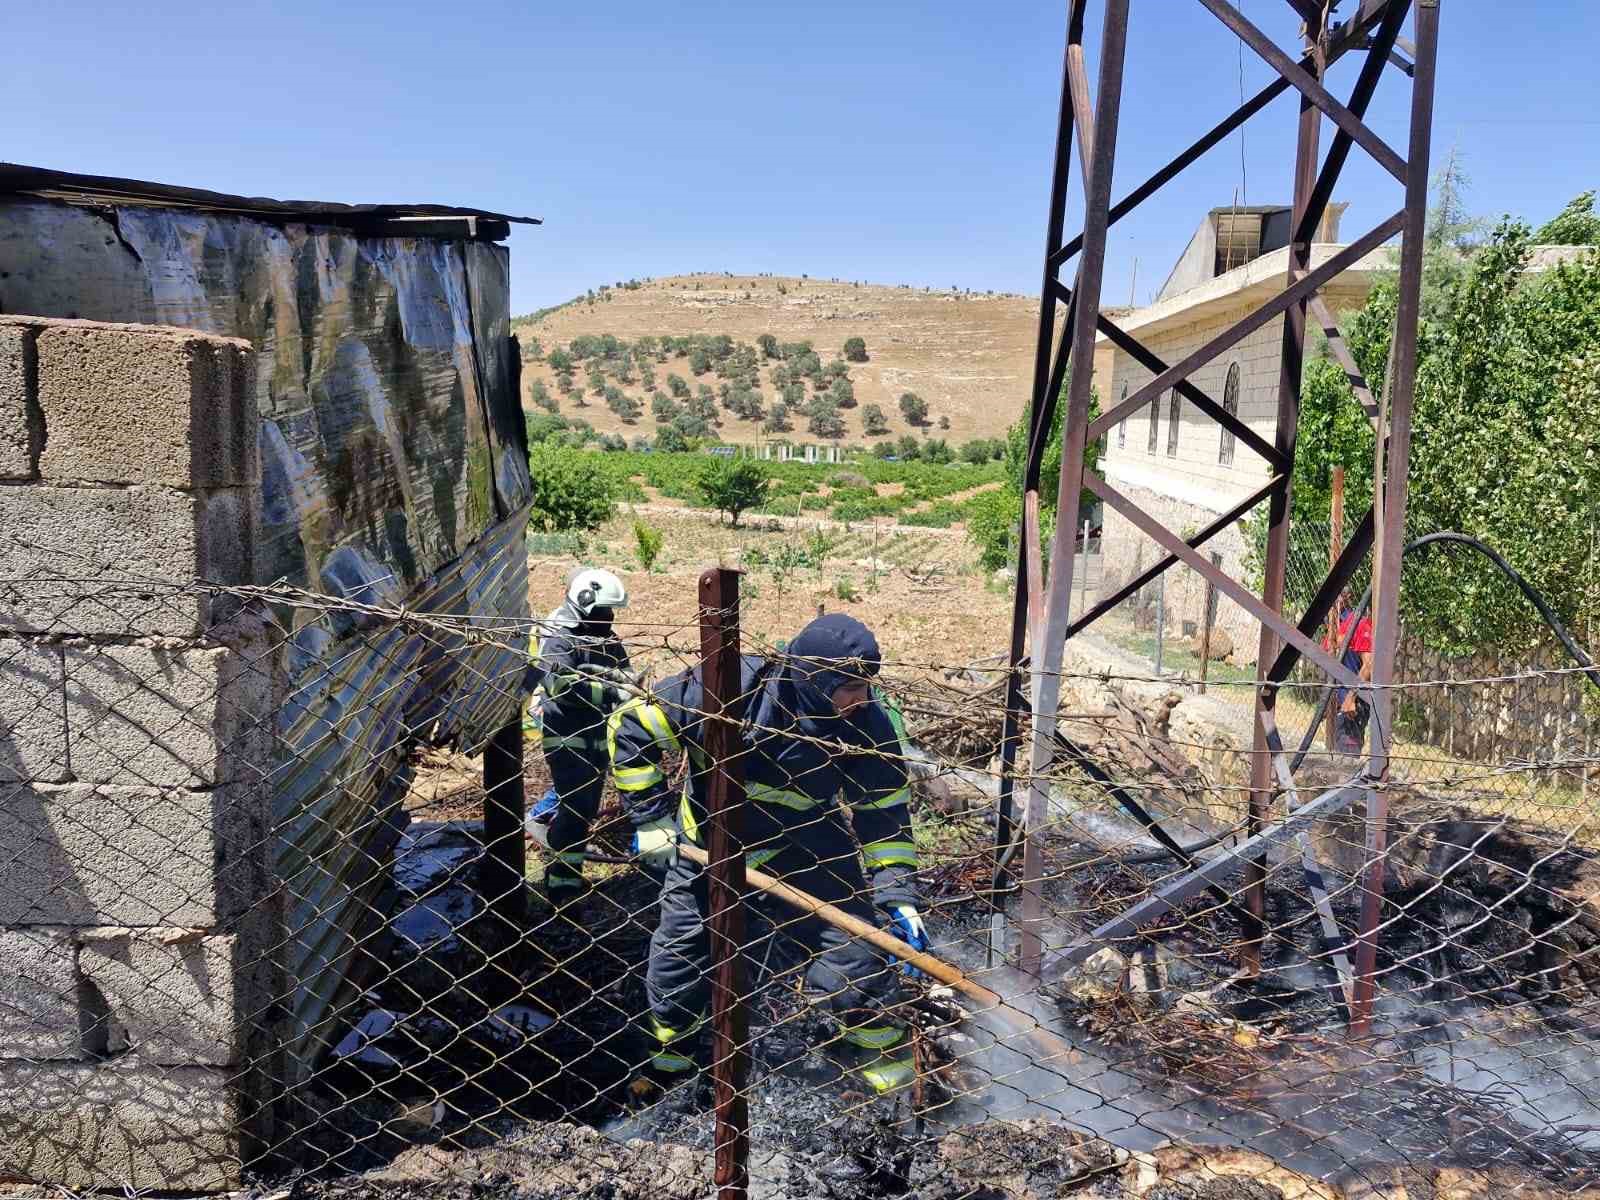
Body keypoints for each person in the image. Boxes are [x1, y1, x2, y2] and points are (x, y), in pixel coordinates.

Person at [608, 613, 926, 1096]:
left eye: (866, 687)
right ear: (815, 680)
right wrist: (651, 819)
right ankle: (672, 1062)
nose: (860, 699)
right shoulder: (726, 690)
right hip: (710, 846)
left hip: (807, 847)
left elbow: (882, 812)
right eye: (848, 687)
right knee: (678, 963)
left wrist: (897, 894)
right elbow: (632, 725)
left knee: (855, 956)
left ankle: (890, 1077)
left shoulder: (867, 724)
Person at [526, 567, 635, 899]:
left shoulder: (603, 636)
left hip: (596, 730)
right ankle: (561, 885)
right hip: (565, 731)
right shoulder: (561, 635)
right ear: (585, 603)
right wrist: (613, 692)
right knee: (574, 808)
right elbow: (559, 686)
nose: (610, 617)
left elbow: (626, 673)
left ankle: (566, 877)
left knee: (584, 807)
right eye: (604, 610)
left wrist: (628, 684)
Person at [1330, 595, 1374, 755]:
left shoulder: (1359, 624)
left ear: (1345, 599)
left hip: (1355, 706)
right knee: (1339, 755)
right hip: (1342, 703)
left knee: (1347, 757)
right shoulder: (1336, 627)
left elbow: (1369, 664)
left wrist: (1350, 698)